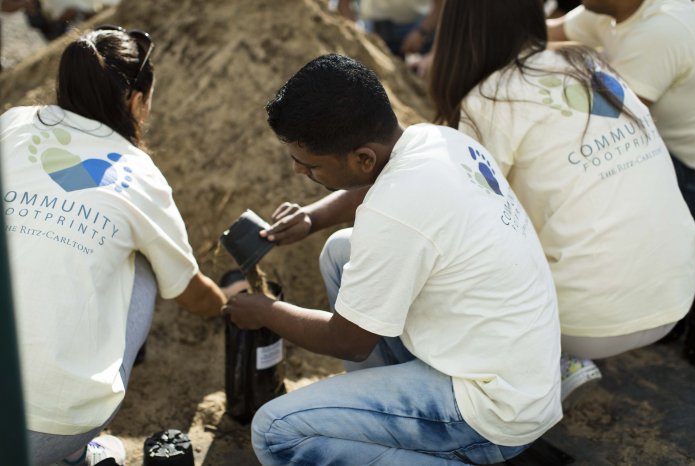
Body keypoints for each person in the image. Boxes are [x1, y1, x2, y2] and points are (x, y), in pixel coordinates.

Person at [226, 53, 562, 465]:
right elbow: (378, 189)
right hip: (518, 370)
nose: (298, 171)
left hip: (492, 409)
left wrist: (264, 311)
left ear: (363, 158)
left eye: (309, 165)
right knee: (341, 251)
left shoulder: (394, 211)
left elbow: (348, 341)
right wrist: (312, 218)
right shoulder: (436, 140)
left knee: (275, 431)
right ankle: (392, 425)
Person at [427, 0, 695, 405]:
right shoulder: (588, 62)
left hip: (588, 325)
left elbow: (460, 219)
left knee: (467, 240)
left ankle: (540, 364)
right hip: (676, 294)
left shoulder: (488, 101)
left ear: (455, 34)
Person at [1, 26, 229, 466]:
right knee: (145, 263)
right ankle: (75, 454)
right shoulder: (137, 172)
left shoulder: (13, 124)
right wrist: (226, 303)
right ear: (135, 101)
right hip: (47, 431)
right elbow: (188, 290)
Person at [547, 0, 695, 364]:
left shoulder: (659, 32)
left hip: (690, 164)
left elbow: (607, 118)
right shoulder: (610, 10)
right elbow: (543, 34)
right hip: (668, 144)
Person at [335, 0, 442, 58]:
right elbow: (343, 4)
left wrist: (422, 32)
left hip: (420, 28)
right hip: (376, 30)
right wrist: (357, 34)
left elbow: (441, 6)